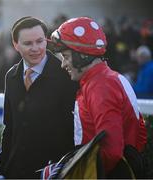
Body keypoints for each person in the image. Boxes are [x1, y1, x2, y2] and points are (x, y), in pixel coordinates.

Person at [50, 17, 147, 178]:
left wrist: (74, 174)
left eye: (66, 56)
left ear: (82, 55)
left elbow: (111, 151)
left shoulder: (100, 86)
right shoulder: (104, 78)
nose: (63, 64)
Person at [0, 16, 78, 179]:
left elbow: (73, 131)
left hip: (51, 172)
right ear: (15, 45)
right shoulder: (11, 76)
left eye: (40, 41)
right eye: (28, 43)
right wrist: (1, 172)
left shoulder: (66, 75)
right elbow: (9, 128)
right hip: (15, 172)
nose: (36, 48)